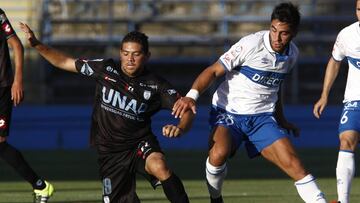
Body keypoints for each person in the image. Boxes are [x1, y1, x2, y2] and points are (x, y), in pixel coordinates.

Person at [19, 22, 194, 203]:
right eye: (125, 54)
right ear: (120, 53)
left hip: (139, 144)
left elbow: (187, 109)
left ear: (147, 56)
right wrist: (37, 45)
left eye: (136, 54)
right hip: (110, 153)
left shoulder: (156, 84)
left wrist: (180, 128)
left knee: (159, 165)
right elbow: (64, 62)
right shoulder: (105, 69)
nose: (130, 59)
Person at [172, 2, 327, 203]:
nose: (277, 38)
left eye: (284, 33)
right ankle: (215, 199)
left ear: (294, 33)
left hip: (262, 118)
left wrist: (281, 119)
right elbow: (213, 71)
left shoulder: (292, 55)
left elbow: (274, 88)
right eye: (274, 30)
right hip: (228, 112)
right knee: (218, 154)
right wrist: (191, 96)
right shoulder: (251, 44)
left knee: (295, 165)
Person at [0, 9, 54, 203]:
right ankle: (40, 186)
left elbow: (16, 45)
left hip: (2, 87)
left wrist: (18, 80)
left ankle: (41, 186)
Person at [313, 1, 360, 203]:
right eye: (359, 9)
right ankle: (343, 200)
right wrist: (325, 95)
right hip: (355, 100)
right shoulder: (347, 35)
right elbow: (335, 60)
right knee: (346, 141)